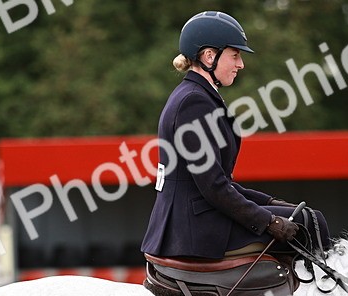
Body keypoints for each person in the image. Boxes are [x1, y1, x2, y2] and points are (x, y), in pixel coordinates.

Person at [141, 11, 330, 263]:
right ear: (210, 56)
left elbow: (220, 183)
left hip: (195, 218)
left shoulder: (197, 95)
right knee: (311, 222)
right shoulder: (193, 102)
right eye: (235, 55)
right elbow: (214, 187)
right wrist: (268, 221)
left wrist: (272, 202)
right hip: (194, 228)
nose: (240, 64)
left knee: (302, 214)